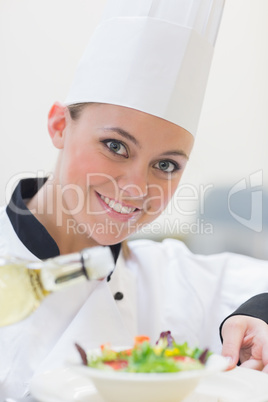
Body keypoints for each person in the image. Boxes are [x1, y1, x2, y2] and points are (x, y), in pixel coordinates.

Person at [0, 0, 268, 398]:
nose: (135, 189)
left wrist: (258, 316)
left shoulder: (169, 274)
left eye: (165, 165)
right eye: (115, 145)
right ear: (59, 125)